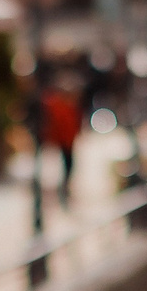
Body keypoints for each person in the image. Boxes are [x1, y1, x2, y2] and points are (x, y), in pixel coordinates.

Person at [40, 77, 82, 207]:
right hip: (62, 141)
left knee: (68, 166)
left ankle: (64, 187)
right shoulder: (58, 106)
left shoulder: (69, 106)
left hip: (67, 141)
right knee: (64, 165)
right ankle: (62, 188)